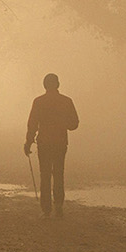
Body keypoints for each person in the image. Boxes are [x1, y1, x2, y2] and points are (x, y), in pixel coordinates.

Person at [24, 73, 79, 218]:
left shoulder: (39, 102)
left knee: (45, 175)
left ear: (44, 85)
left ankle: (46, 209)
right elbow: (74, 124)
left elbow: (32, 124)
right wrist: (63, 124)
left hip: (44, 143)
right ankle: (59, 205)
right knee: (59, 173)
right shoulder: (66, 101)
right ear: (58, 84)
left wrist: (28, 142)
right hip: (60, 142)